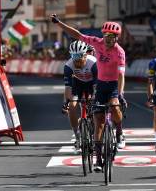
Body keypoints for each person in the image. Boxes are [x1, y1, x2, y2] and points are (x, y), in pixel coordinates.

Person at [51, 14, 126, 172]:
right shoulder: (97, 43)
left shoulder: (119, 52)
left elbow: (121, 76)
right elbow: (77, 34)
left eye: (111, 36)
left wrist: (120, 94)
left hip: (112, 85)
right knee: (98, 122)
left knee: (115, 107)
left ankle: (119, 132)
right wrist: (59, 23)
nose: (107, 39)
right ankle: (98, 159)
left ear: (116, 38)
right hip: (100, 85)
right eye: (106, 35)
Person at [62, 40, 97, 151]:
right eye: (73, 56)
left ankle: (97, 136)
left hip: (92, 84)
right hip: (78, 84)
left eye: (79, 56)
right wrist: (67, 102)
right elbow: (68, 88)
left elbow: (97, 85)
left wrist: (94, 98)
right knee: (72, 107)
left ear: (85, 54)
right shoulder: (68, 66)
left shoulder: (94, 63)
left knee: (97, 107)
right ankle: (78, 137)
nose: (76, 59)